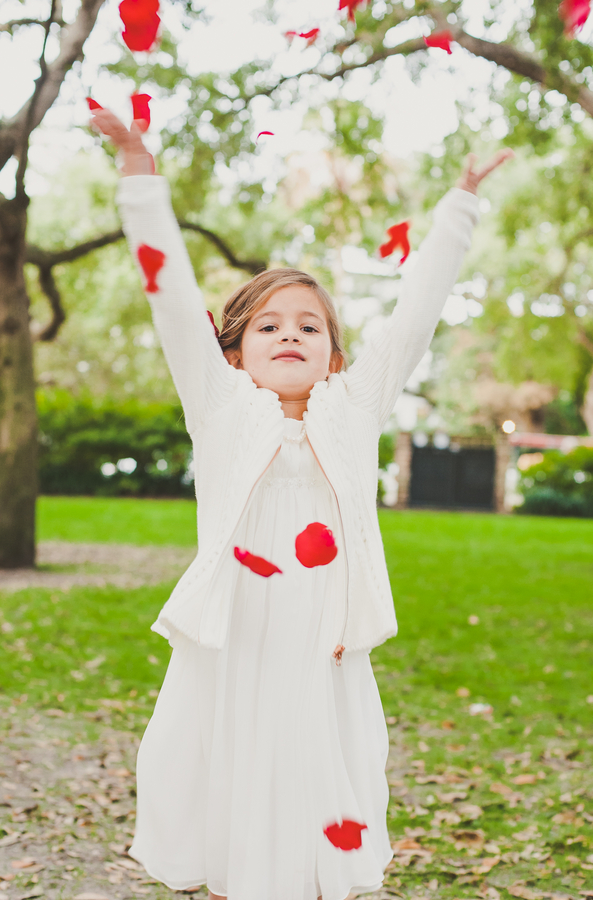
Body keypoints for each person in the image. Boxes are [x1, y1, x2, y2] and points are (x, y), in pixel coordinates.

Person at [90, 107, 512, 900]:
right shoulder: (219, 404)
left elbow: (416, 313)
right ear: (234, 350)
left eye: (310, 325)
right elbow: (171, 296)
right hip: (237, 635)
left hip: (322, 640)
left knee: (320, 779)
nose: (292, 335)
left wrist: (458, 204)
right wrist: (138, 172)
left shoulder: (353, 407)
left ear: (334, 351)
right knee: (232, 771)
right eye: (271, 325)